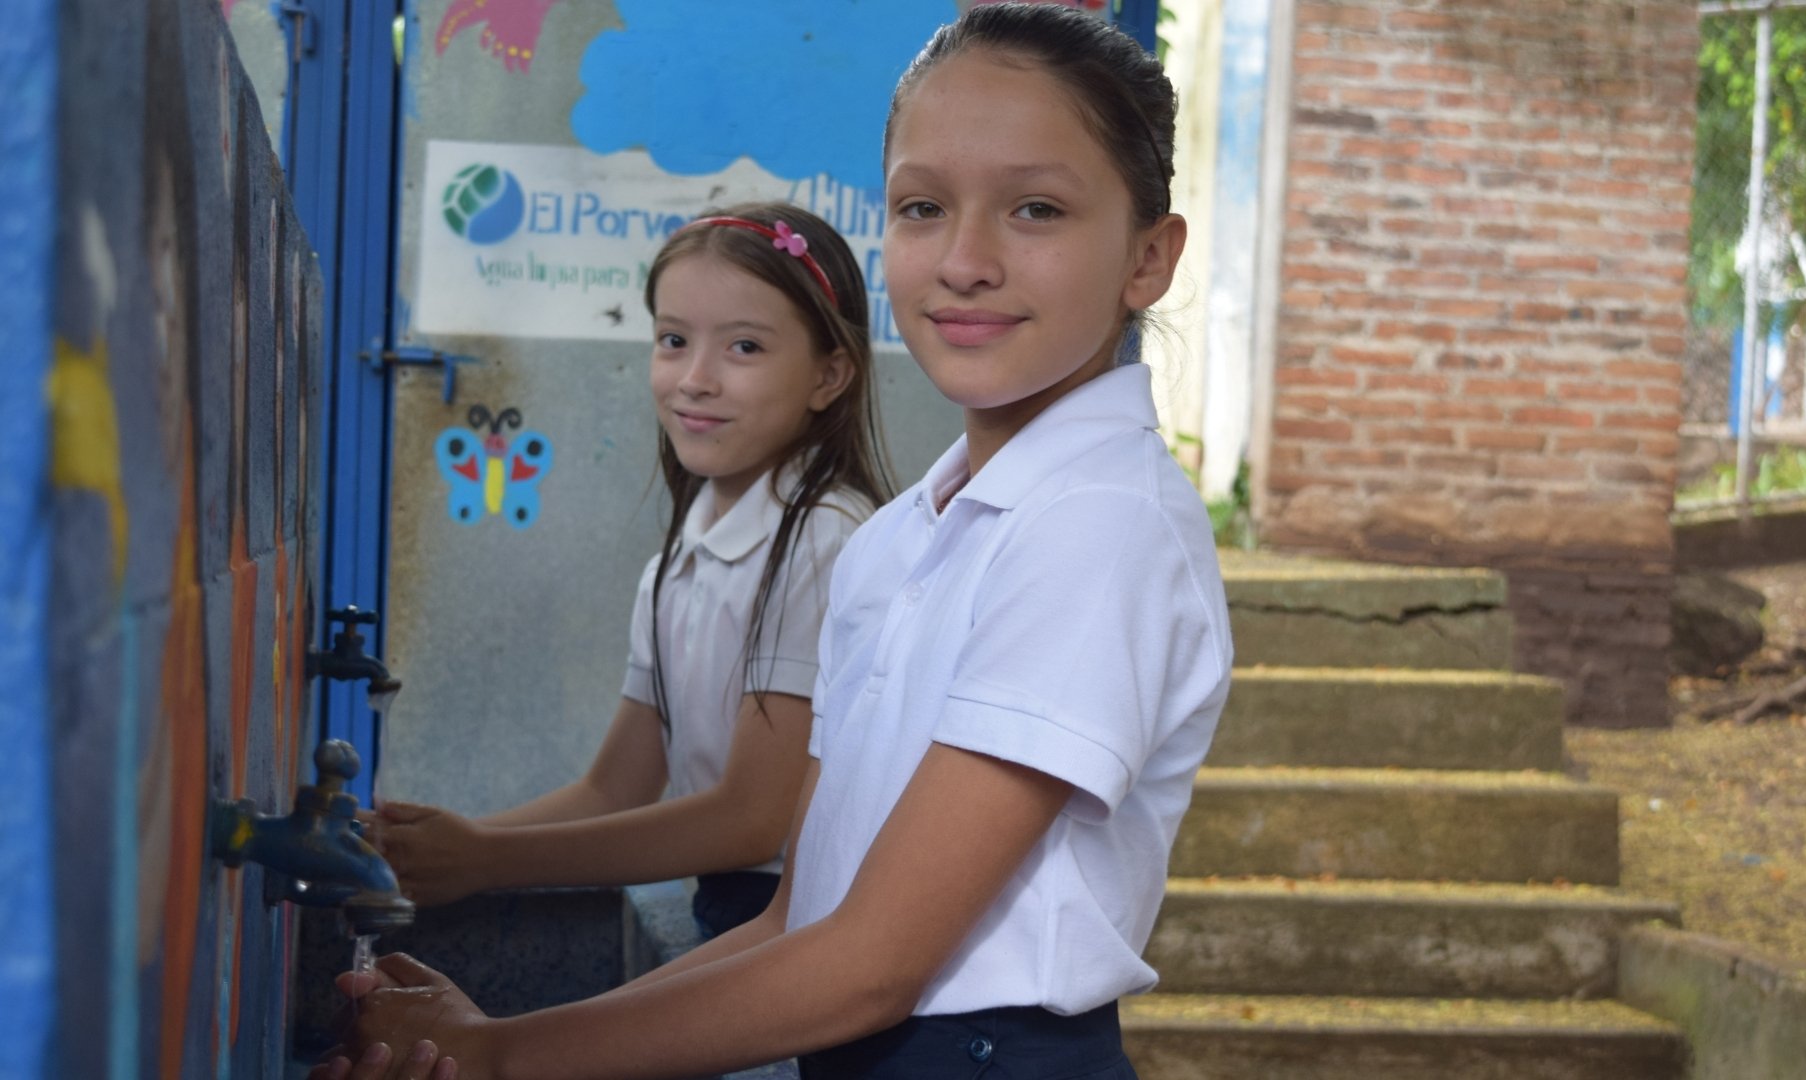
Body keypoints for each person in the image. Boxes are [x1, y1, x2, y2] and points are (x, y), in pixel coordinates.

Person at [324, 7, 1230, 1078]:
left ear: (1149, 258)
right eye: (923, 207)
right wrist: (489, 1045)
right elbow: (799, 919)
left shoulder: (1098, 526)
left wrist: (502, 1059)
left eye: (1037, 208)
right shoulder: (905, 539)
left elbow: (871, 963)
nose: (966, 260)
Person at [368, 201, 890, 943]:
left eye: (744, 347)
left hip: (802, 929)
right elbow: (613, 789)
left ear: (829, 374)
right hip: (733, 916)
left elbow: (749, 822)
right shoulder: (677, 563)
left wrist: (486, 859)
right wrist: (428, 853)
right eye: (673, 340)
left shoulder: (823, 541)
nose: (695, 379)